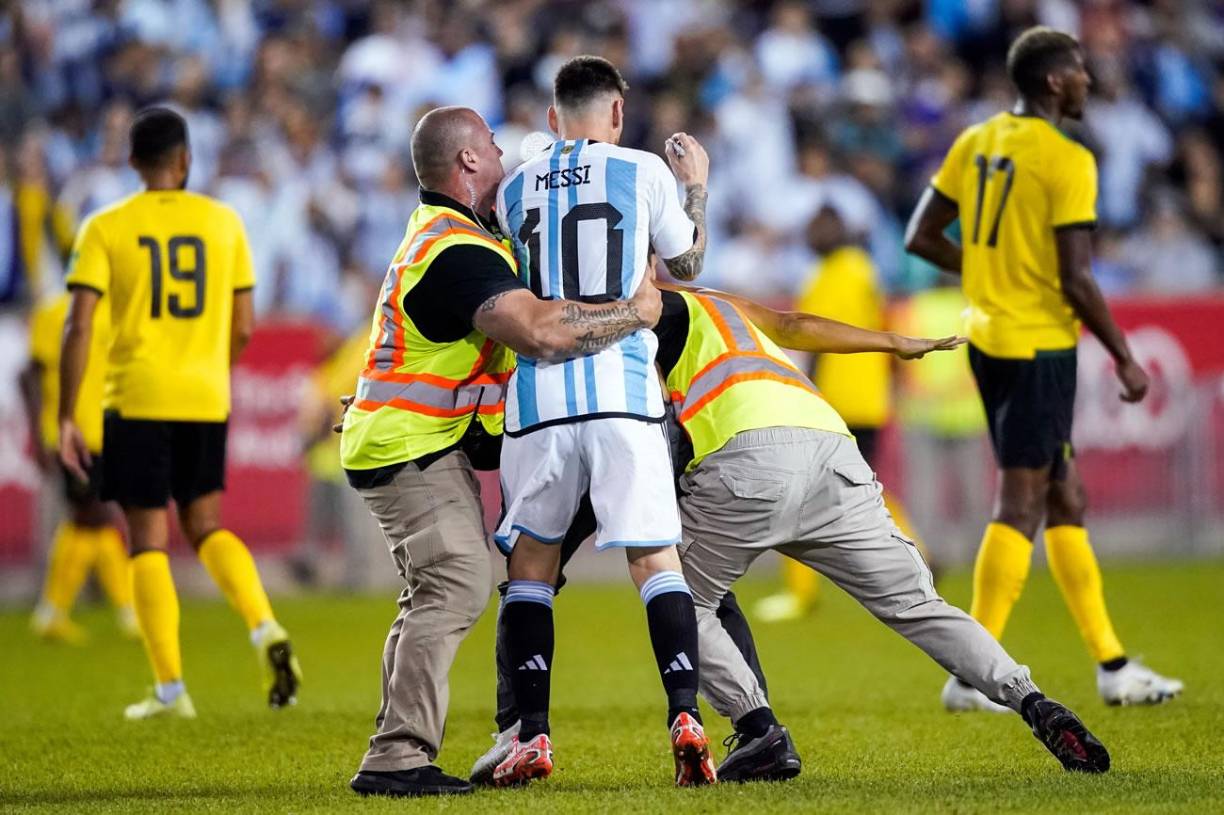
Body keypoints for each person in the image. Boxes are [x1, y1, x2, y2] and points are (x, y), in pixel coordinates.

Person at [339, 105, 664, 799]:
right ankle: (397, 758)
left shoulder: (442, 236)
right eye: (490, 142)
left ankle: (402, 744)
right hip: (410, 442)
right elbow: (542, 332)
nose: (501, 150)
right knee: (455, 578)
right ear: (466, 163)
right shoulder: (457, 252)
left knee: (435, 586)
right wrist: (634, 312)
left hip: (409, 437)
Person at [658, 283, 1110, 776]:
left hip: (746, 457)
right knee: (919, 605)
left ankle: (757, 726)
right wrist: (894, 342)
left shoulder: (641, 306)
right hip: (830, 446)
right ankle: (1032, 701)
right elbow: (793, 326)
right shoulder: (716, 302)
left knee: (677, 599)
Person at [904, 26, 1182, 711]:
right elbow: (1078, 278)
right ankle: (970, 675)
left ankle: (1113, 666)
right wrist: (1123, 353)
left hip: (990, 338)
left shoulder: (978, 140)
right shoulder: (1067, 158)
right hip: (1037, 346)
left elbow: (921, 235)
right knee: (1022, 502)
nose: (1089, 79)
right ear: (1056, 81)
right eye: (1081, 70)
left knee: (1065, 496)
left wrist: (989, 271)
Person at [491, 55, 716, 787]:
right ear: (616, 113)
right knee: (654, 561)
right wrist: (697, 189)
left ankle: (533, 734)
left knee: (531, 567)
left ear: (553, 117)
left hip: (540, 400)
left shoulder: (511, 187)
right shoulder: (645, 169)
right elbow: (684, 269)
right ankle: (685, 713)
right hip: (623, 391)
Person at [58, 107, 301, 720]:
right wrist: (210, 369)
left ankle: (170, 689)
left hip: (136, 395)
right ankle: (263, 623)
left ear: (133, 162)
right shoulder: (223, 222)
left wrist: (66, 414)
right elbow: (244, 324)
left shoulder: (106, 226)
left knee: (146, 539)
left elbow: (78, 323)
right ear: (185, 160)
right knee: (208, 524)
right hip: (203, 394)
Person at [755, 205, 925, 623]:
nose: (812, 235)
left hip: (836, 399)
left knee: (795, 489)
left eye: (818, 228)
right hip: (869, 398)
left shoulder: (828, 278)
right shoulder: (864, 271)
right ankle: (918, 553)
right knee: (862, 485)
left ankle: (802, 592)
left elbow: (808, 336)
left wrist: (800, 390)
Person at [23, 289, 135, 643]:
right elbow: (29, 375)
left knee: (89, 521)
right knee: (96, 516)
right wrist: (40, 433)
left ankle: (54, 612)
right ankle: (127, 610)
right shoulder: (54, 313)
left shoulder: (113, 313)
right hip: (72, 435)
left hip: (103, 432)